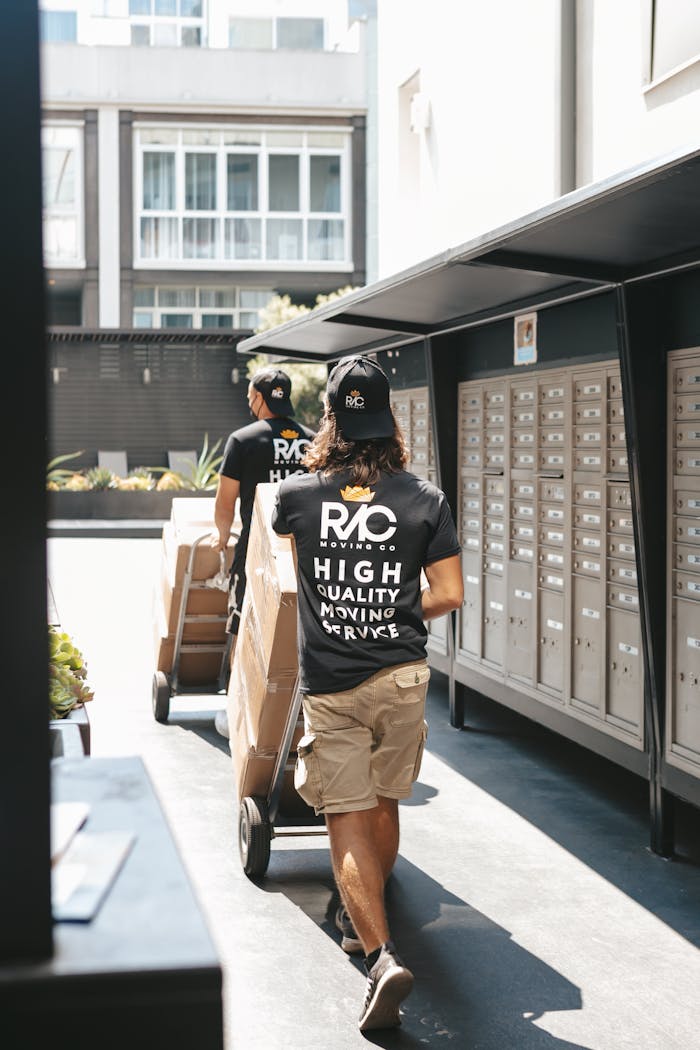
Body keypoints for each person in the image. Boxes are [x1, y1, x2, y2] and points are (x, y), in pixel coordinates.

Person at [271, 354, 463, 1031]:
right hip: (402, 677)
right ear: (389, 421)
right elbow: (451, 594)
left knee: (344, 813)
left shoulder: (295, 499)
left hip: (333, 681)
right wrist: (400, 605)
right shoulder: (425, 500)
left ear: (332, 420)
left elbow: (305, 582)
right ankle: (364, 924)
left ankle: (377, 953)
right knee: (383, 799)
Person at [211, 366, 315, 738]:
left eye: (249, 396)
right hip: (305, 555)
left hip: (257, 551)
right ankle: (301, 714)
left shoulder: (243, 440)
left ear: (259, 398)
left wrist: (222, 537)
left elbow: (225, 502)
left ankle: (238, 710)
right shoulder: (313, 440)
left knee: (244, 625)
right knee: (304, 628)